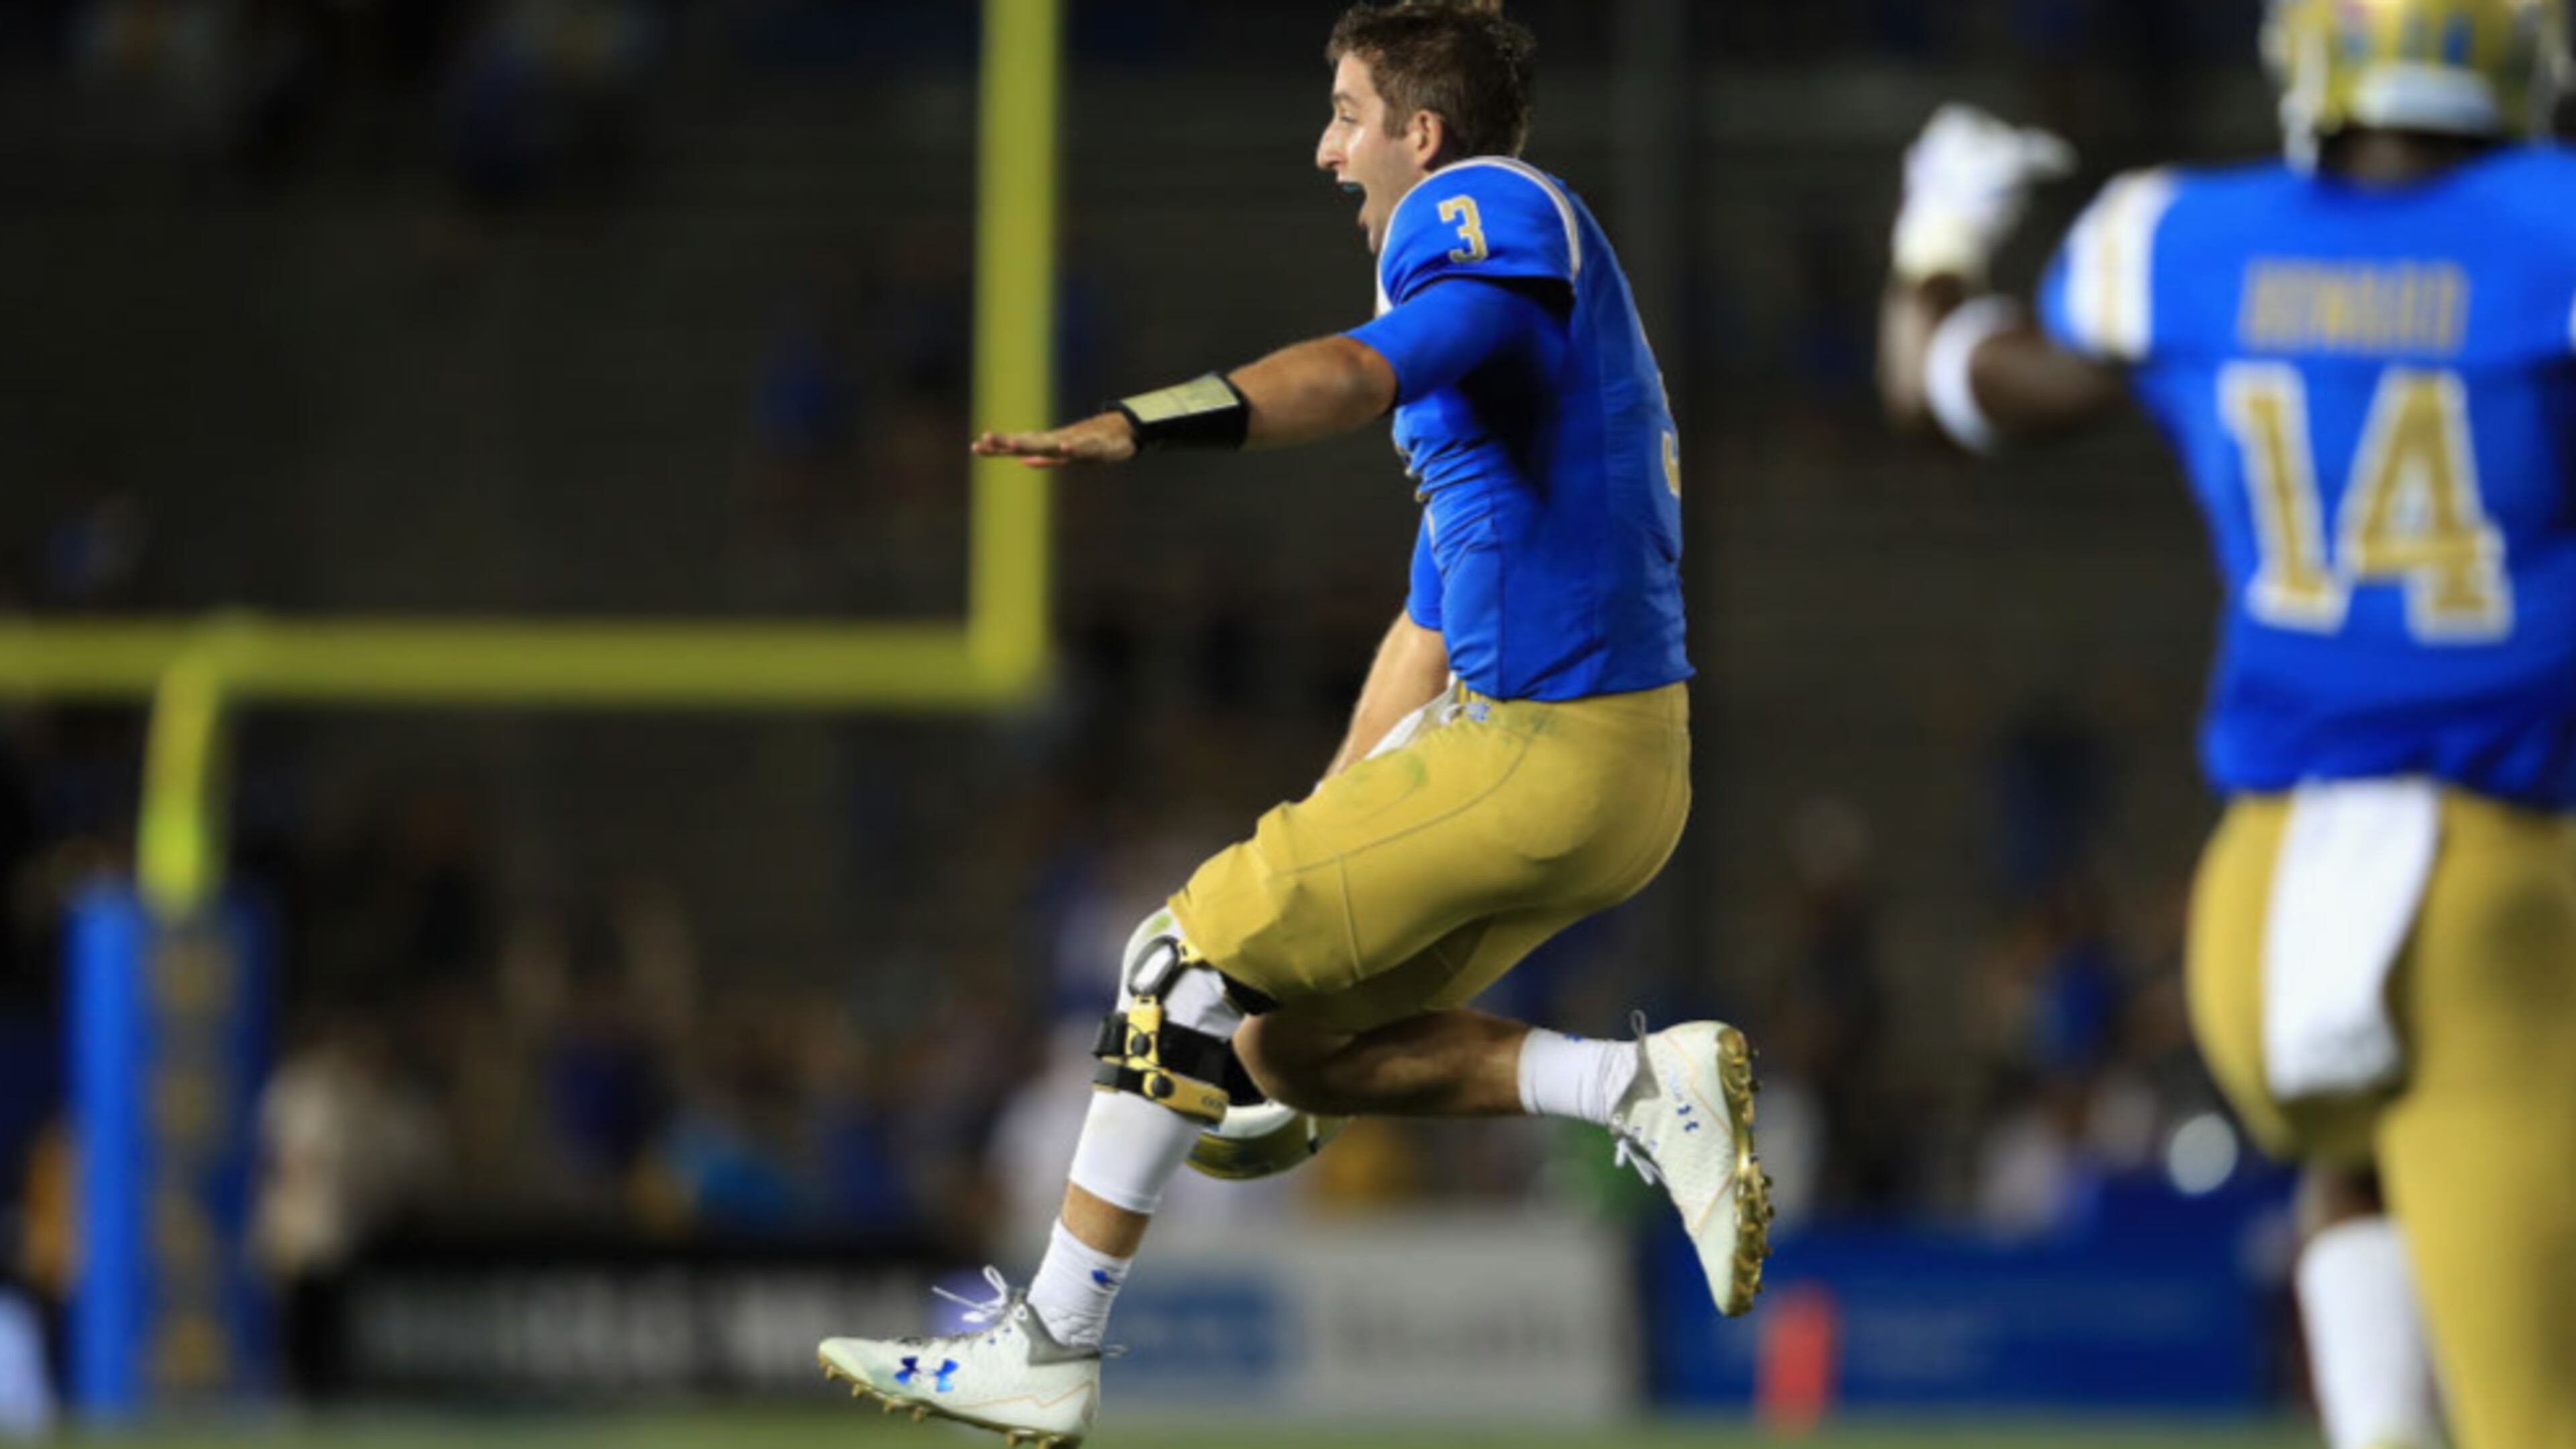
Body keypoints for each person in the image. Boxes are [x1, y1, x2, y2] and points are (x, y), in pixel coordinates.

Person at [817, 3, 1771, 1444]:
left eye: (1346, 113)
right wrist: (1327, 826)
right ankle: (1640, 1086)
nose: (1328, 150)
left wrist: (1153, 423)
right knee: (1279, 1049)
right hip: (1611, 774)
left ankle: (1052, 1344)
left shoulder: (1478, 210)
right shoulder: (1513, 383)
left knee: (1169, 962)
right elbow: (1430, 626)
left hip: (1547, 751)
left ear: (1421, 134)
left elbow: (1354, 369)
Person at [1876, 3, 2576, 1446]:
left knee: (2365, 1155)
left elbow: (1939, 386)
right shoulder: (2549, 228)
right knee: (2540, 1406)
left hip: (2260, 900)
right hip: (2492, 890)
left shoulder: (2184, 238)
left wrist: (1939, 235)